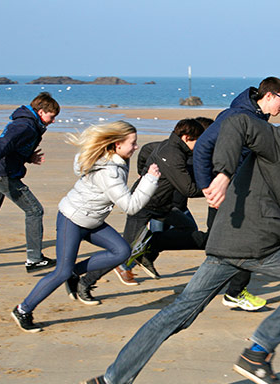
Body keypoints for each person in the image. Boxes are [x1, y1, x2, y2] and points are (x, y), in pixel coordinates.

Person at [80, 89, 280, 384]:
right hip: (256, 243)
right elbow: (237, 125)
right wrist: (223, 174)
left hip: (227, 243)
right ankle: (258, 353)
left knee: (176, 315)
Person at [11, 121, 160, 332]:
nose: (136, 147)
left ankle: (73, 273)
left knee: (121, 251)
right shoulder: (109, 171)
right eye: (133, 143)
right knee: (60, 272)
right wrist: (150, 181)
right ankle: (23, 309)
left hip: (93, 221)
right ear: (117, 145)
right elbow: (130, 206)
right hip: (72, 220)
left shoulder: (116, 161)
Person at [74, 118, 204, 298]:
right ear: (187, 137)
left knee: (188, 228)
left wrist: (143, 171)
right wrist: (216, 188)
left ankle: (148, 250)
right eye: (199, 141)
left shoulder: (170, 146)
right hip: (143, 205)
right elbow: (188, 189)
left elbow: (146, 150)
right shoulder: (173, 154)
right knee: (123, 252)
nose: (200, 146)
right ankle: (85, 282)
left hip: (163, 206)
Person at [192, 76, 280, 311]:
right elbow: (203, 146)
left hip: (242, 191)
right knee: (244, 242)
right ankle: (232, 293)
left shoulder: (258, 118)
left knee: (226, 245)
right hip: (228, 192)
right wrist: (208, 186)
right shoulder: (237, 116)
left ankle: (223, 291)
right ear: (269, 96)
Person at [0, 92, 60, 273]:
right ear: (41, 112)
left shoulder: (30, 123)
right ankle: (34, 259)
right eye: (52, 116)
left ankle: (34, 258)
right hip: (2, 174)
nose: (53, 121)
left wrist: (28, 156)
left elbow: (14, 147)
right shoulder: (24, 125)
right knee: (34, 210)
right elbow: (2, 143)